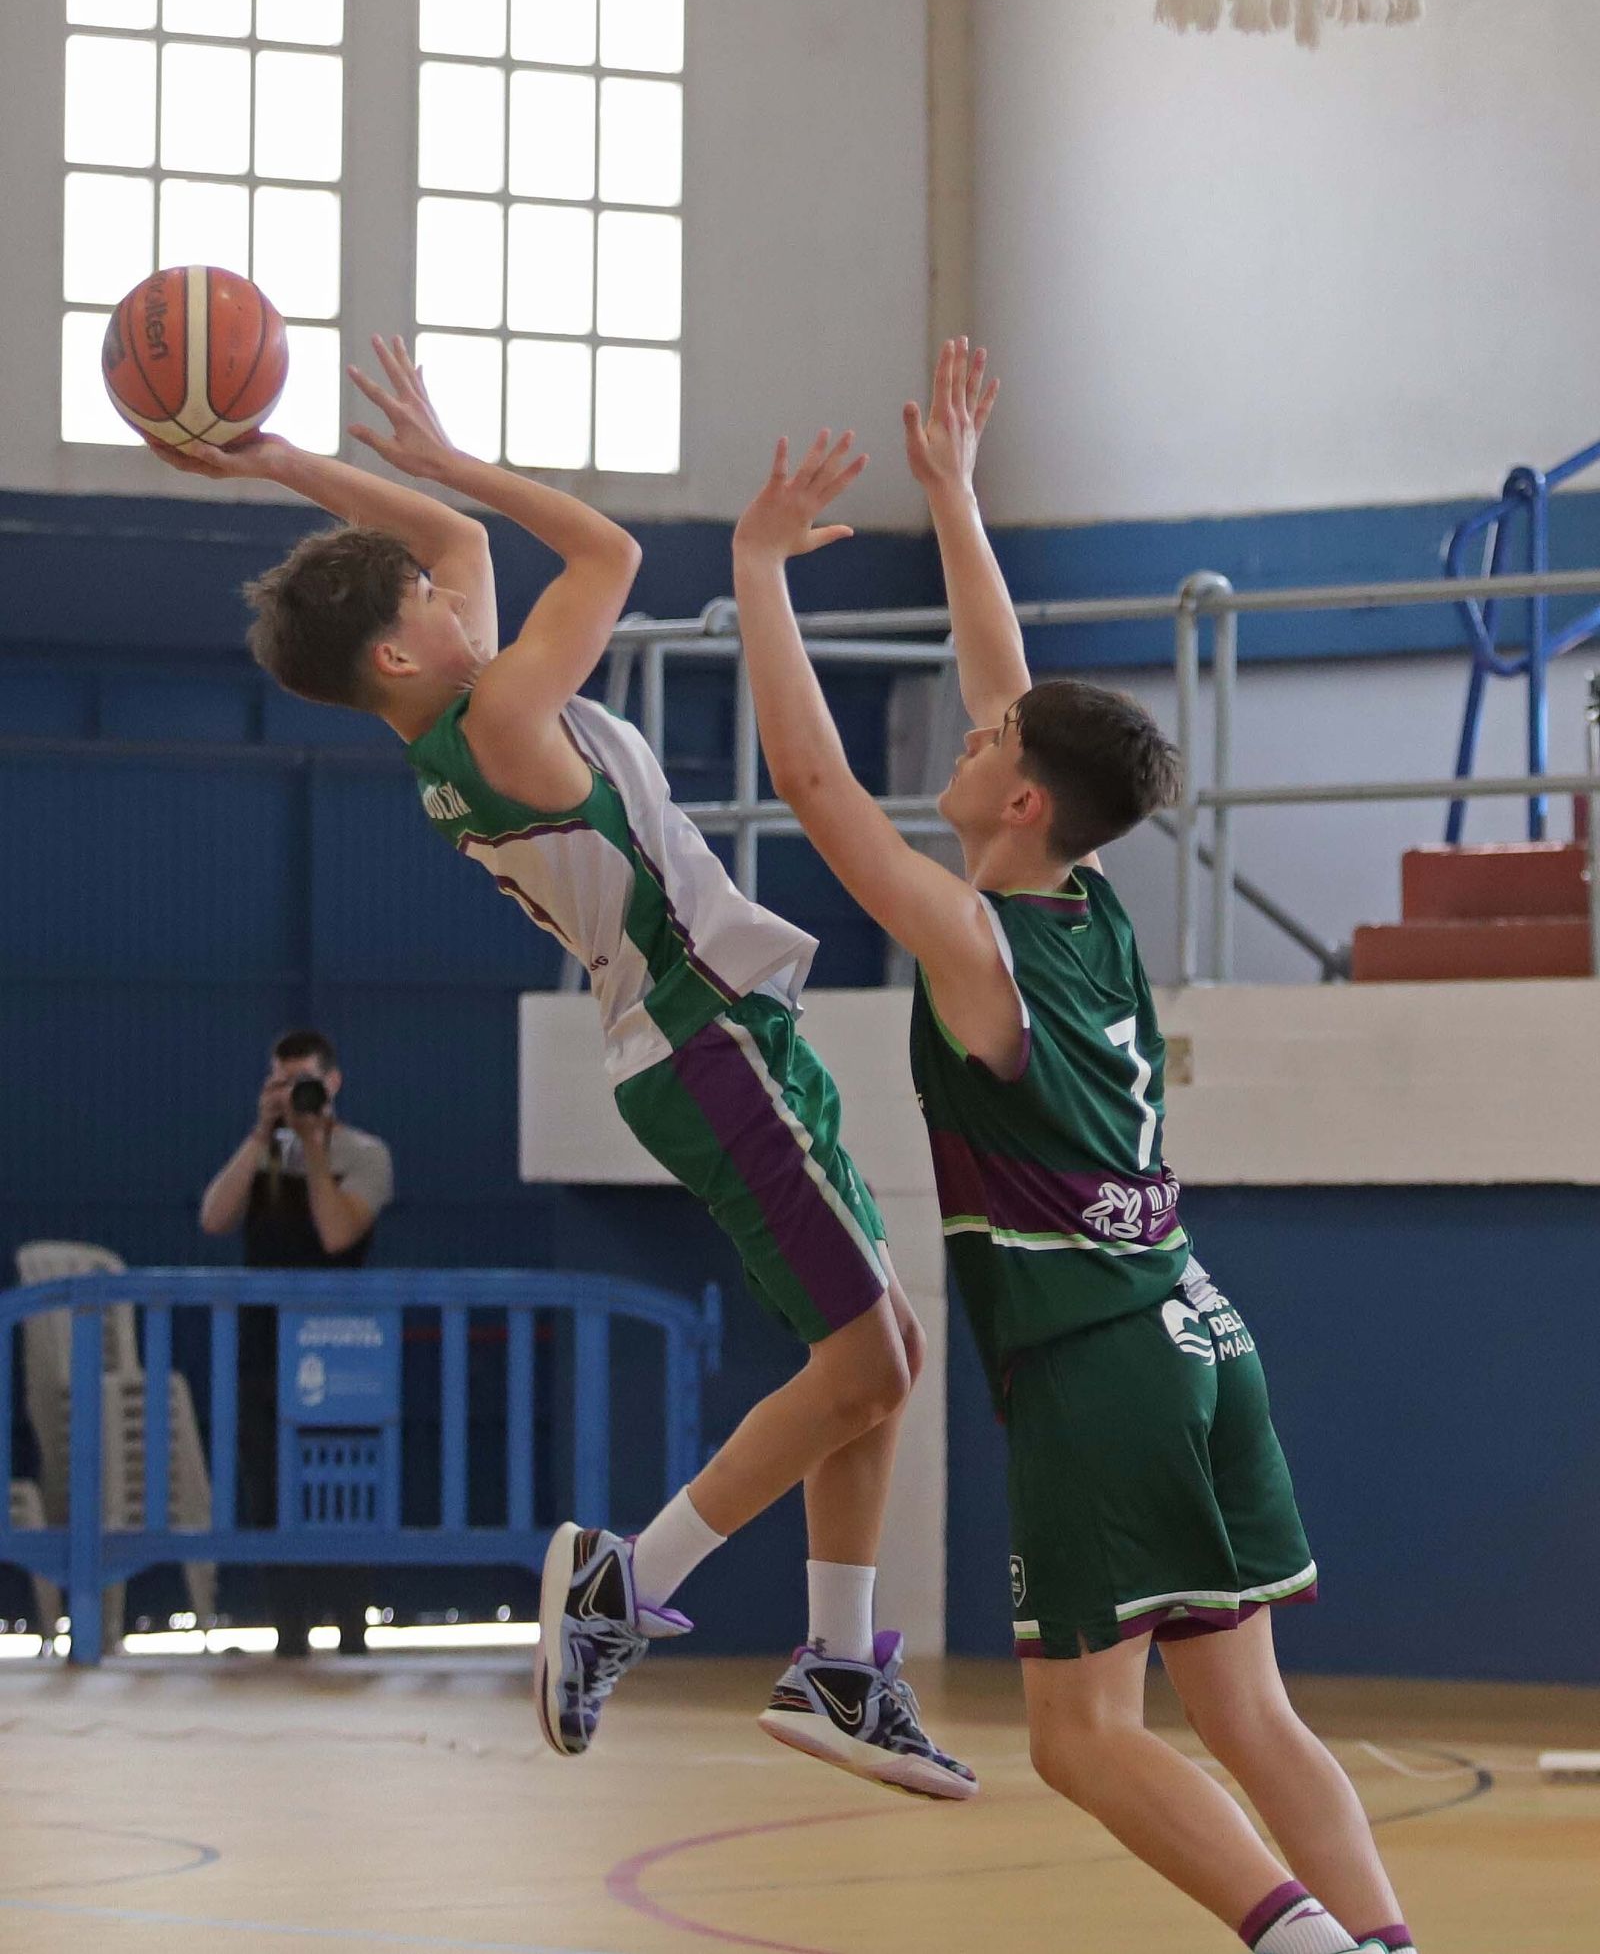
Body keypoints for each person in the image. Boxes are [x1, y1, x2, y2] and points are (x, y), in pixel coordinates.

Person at [154, 337, 972, 1797]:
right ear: (406, 652)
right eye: (417, 597)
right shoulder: (506, 715)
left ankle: (839, 1662)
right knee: (873, 1356)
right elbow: (598, 545)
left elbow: (456, 539)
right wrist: (442, 456)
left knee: (881, 1352)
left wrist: (277, 463)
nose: (446, 577)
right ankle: (622, 1582)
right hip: (703, 1036)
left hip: (707, 1035)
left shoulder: (448, 720)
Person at [729, 339, 1416, 1954]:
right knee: (1249, 1716)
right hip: (1196, 1332)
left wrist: (759, 569)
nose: (964, 747)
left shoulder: (980, 945)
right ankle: (1386, 1945)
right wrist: (958, 497)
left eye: (982, 755)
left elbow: (815, 787)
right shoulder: (1089, 904)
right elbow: (1006, 685)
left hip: (1101, 1365)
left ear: (1025, 806)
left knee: (1080, 1737)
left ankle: (1311, 1951)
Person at [199, 1027, 394, 1654]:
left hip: (343, 1352)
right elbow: (213, 1218)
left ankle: (351, 1631)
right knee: (269, 1490)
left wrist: (313, 1147)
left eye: (304, 1082)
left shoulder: (365, 1155)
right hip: (262, 1350)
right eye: (281, 1083)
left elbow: (338, 1233)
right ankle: (286, 1633)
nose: (295, 1094)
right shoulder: (262, 1153)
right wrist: (264, 1134)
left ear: (332, 1082)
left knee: (343, 1487)